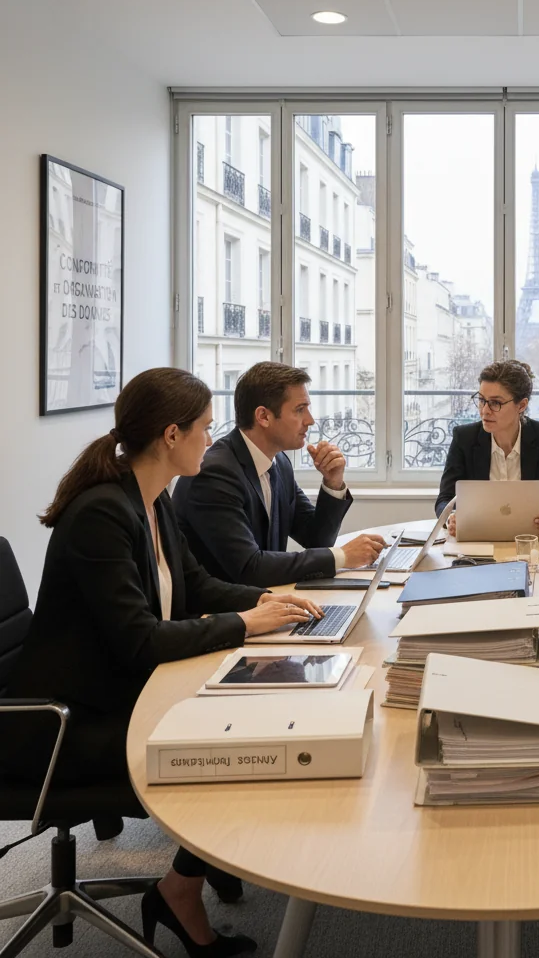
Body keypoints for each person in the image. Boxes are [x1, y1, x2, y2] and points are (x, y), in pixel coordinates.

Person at [1, 368, 325, 957]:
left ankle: (192, 877)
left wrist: (266, 601)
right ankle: (180, 892)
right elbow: (141, 641)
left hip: (112, 693)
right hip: (60, 725)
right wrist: (248, 624)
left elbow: (197, 585)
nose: (213, 437)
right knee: (233, 747)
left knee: (259, 711)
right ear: (171, 435)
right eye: (205, 428)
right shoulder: (102, 513)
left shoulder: (149, 499)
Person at [174, 362, 385, 588]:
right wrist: (342, 557)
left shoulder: (280, 463)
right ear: (263, 416)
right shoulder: (215, 474)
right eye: (299, 409)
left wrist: (333, 482)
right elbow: (250, 568)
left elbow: (316, 540)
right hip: (219, 615)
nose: (310, 420)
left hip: (265, 604)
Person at [434, 359, 539, 536]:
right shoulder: (464, 438)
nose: (485, 410)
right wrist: (451, 518)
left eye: (495, 403)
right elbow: (444, 500)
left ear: (522, 405)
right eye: (481, 400)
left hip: (532, 544)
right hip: (477, 545)